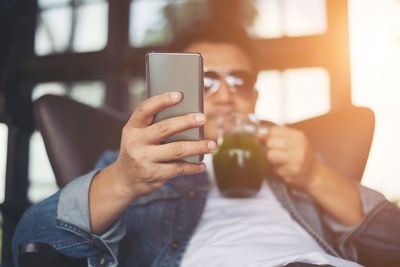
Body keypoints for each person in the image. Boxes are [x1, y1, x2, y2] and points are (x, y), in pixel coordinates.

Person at [12, 19, 400, 267]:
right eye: (206, 79)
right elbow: (31, 243)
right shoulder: (129, 167)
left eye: (239, 81)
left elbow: (393, 245)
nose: (226, 94)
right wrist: (123, 180)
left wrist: (315, 175)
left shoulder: (298, 162)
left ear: (255, 98)